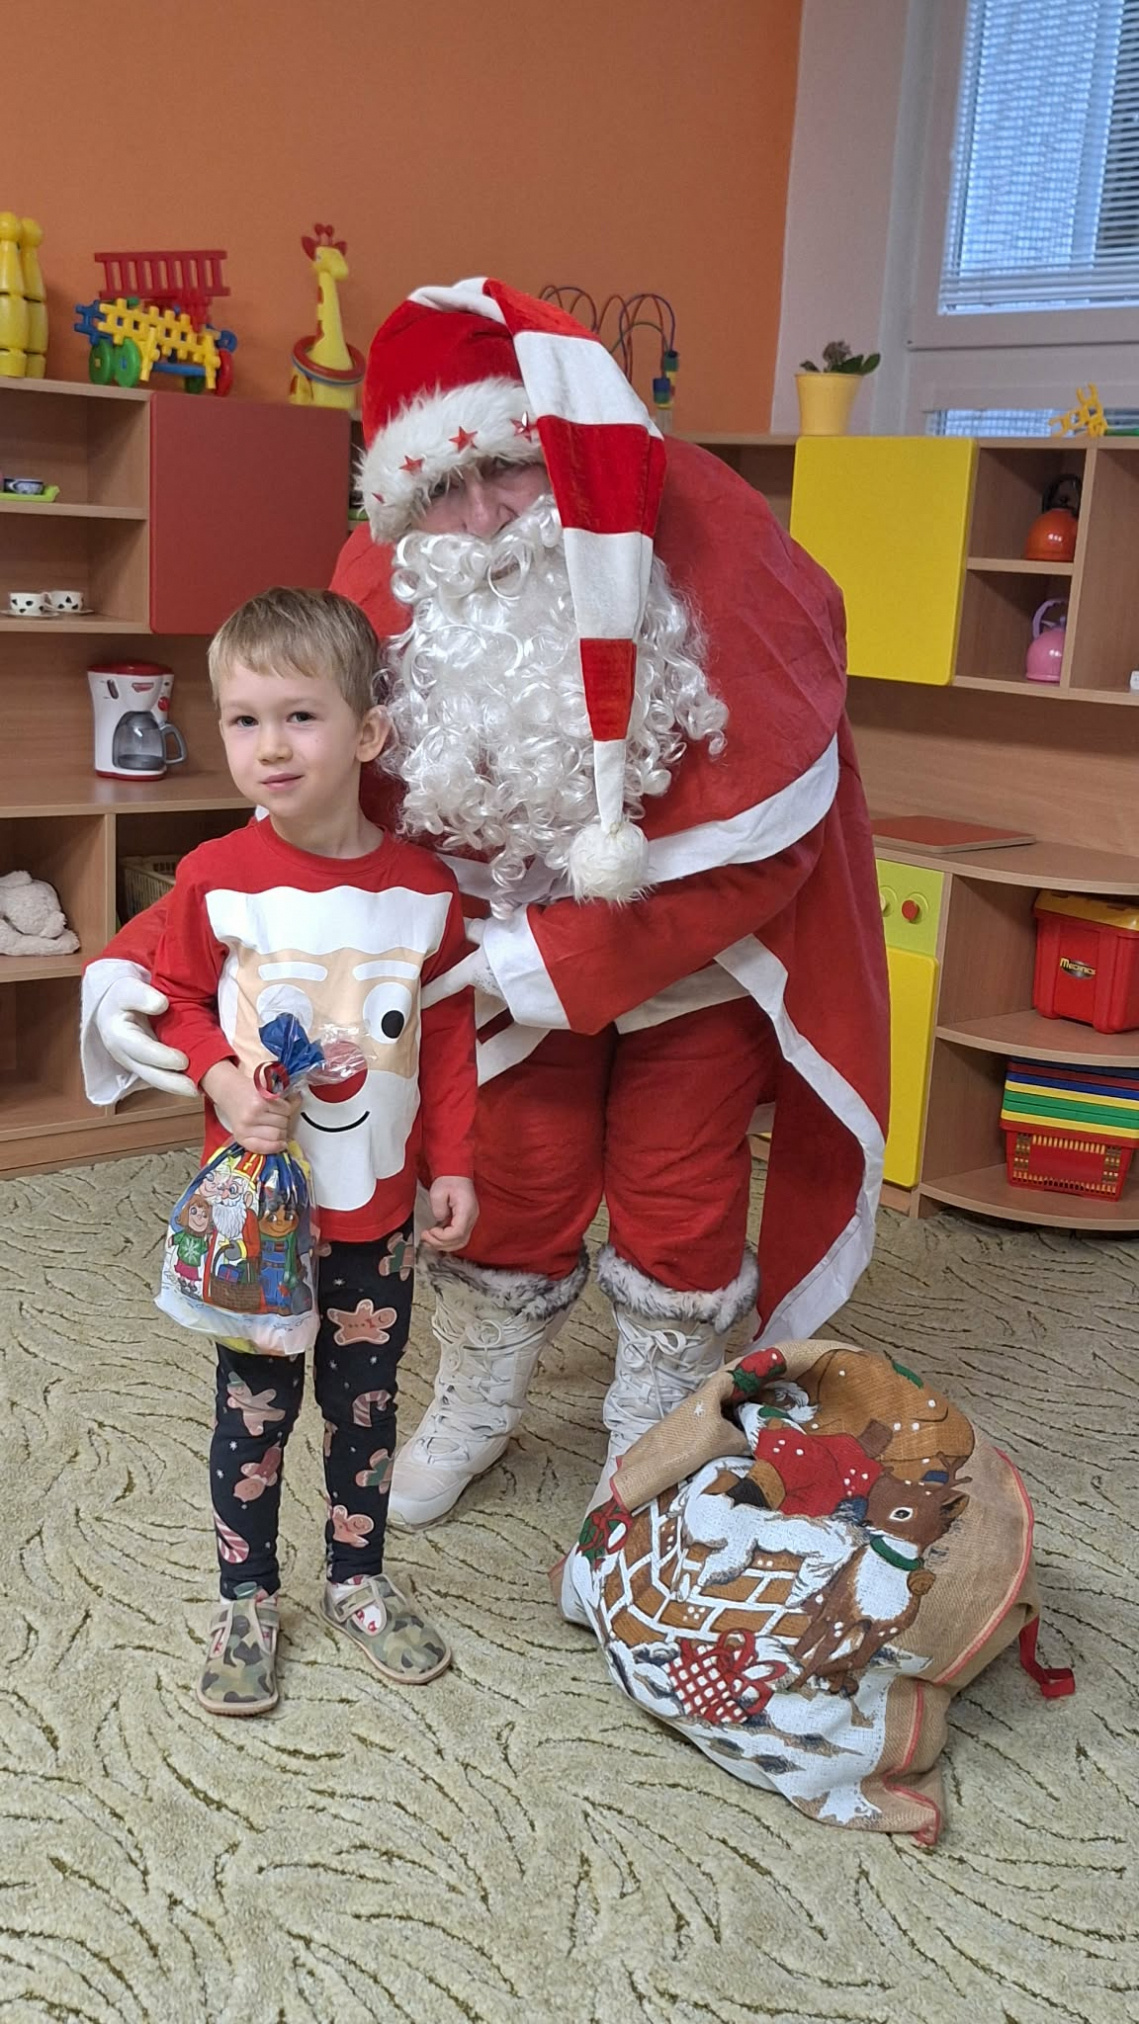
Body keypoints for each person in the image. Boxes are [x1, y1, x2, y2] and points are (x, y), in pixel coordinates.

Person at [81, 280, 889, 1579]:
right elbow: (311, 810)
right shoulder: (390, 570)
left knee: (680, 1192)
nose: (475, 520)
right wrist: (145, 957)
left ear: (562, 445)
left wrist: (536, 958)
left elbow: (770, 838)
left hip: (700, 959)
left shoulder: (727, 553)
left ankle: (649, 1441)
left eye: (504, 470)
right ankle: (481, 1395)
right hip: (490, 962)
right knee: (508, 1176)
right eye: (437, 490)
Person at [148, 588, 477, 1714]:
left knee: (365, 1407)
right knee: (253, 1409)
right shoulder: (214, 875)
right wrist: (219, 1076)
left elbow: (451, 1038)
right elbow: (177, 999)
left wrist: (453, 1162)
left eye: (299, 716)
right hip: (261, 1224)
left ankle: (356, 1577)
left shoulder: (422, 893)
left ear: (366, 731)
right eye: (245, 720)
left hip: (376, 1216)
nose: (271, 746)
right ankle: (246, 1594)